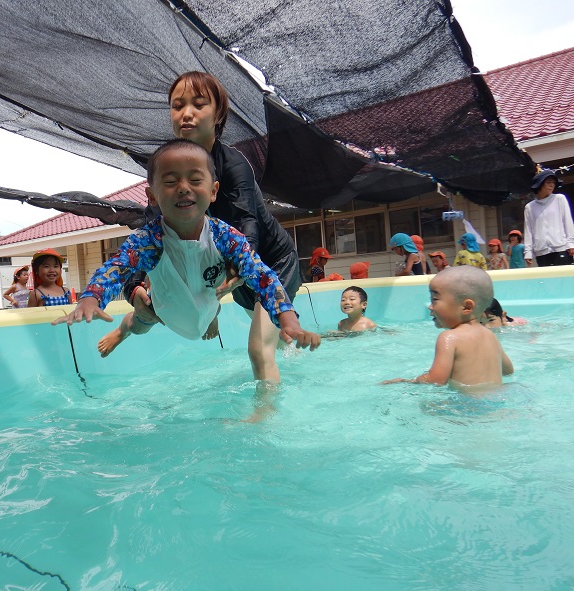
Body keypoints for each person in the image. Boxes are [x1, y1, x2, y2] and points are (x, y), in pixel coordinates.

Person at [54, 139, 320, 368]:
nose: (183, 187)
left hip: (205, 302)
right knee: (140, 322)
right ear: (152, 196)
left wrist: (288, 318)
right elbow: (117, 268)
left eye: (195, 180)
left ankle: (211, 319)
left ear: (214, 191)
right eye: (170, 181)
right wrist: (90, 299)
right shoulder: (149, 240)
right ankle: (122, 331)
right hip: (164, 309)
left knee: (212, 286)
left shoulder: (225, 236)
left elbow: (262, 276)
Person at [118, 71, 305, 392]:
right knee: (273, 339)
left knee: (259, 350)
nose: (186, 113)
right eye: (177, 106)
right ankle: (295, 358)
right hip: (230, 270)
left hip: (270, 262)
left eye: (198, 104)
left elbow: (248, 232)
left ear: (218, 114)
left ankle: (264, 424)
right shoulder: (168, 167)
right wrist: (134, 287)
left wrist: (215, 289)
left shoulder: (233, 166)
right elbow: (149, 234)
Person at [382, 266, 513, 389]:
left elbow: (436, 380)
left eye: (435, 299)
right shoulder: (490, 336)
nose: (430, 306)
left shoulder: (449, 338)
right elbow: (508, 371)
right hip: (495, 401)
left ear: (466, 307)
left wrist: (408, 381)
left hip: (467, 407)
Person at [523, 169, 574, 267]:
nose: (552, 185)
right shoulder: (530, 207)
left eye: (553, 183)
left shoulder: (559, 199)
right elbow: (528, 230)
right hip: (541, 252)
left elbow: (568, 222)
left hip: (561, 248)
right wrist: (528, 251)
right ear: (540, 184)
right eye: (548, 182)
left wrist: (571, 243)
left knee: (564, 280)